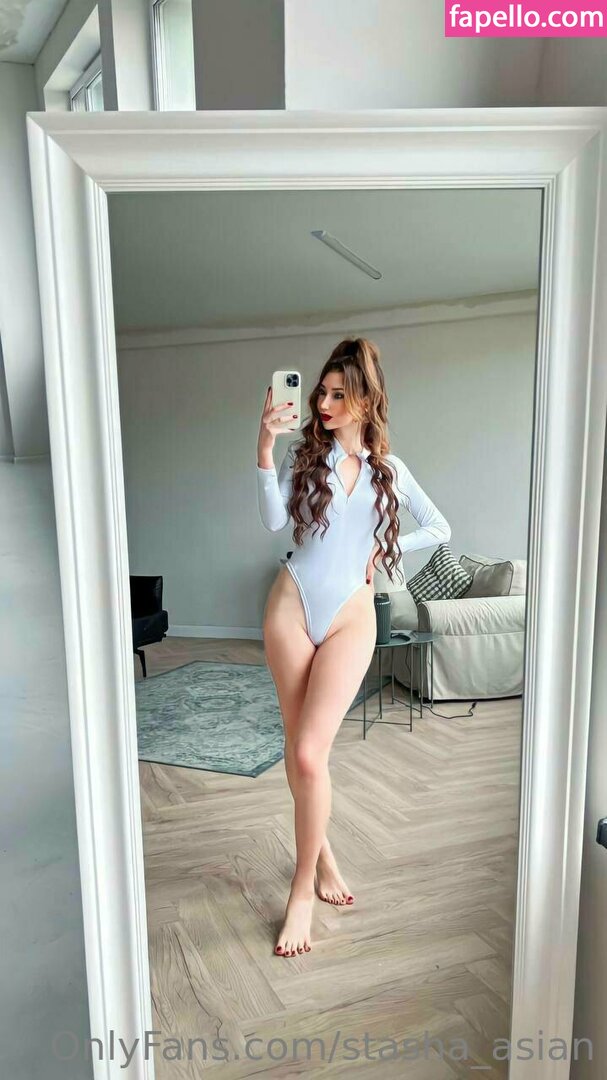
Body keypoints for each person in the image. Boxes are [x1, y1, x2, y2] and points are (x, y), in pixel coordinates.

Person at [256, 338, 451, 958]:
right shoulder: (304, 457)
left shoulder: (388, 471)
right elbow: (272, 521)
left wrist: (384, 549)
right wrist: (264, 447)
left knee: (309, 752)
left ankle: (301, 893)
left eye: (339, 394)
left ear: (365, 400)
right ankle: (322, 859)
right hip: (290, 607)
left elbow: (440, 527)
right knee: (300, 751)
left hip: (350, 617)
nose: (324, 402)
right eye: (323, 391)